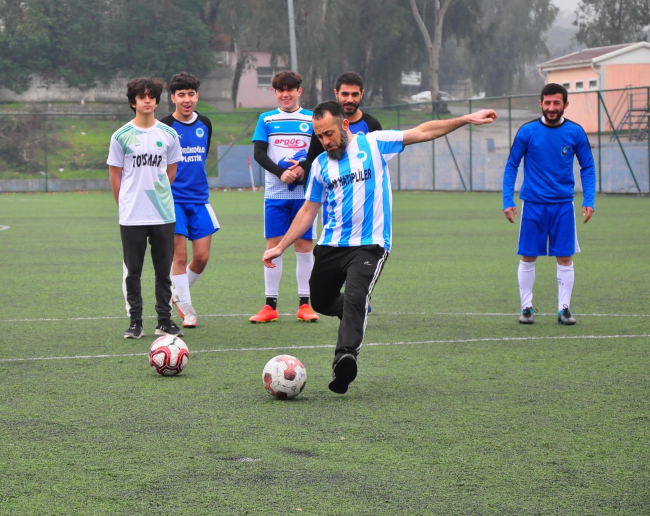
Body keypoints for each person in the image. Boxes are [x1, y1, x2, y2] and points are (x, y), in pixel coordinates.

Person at [263, 100, 497, 394]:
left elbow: (423, 131)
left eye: (329, 134)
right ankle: (355, 311)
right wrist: (280, 246)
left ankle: (344, 359)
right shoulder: (321, 165)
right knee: (321, 301)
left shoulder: (374, 145)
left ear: (344, 125)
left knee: (356, 295)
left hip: (370, 245)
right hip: (331, 244)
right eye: (319, 136)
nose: (325, 142)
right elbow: (308, 211)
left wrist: (465, 118)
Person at [503, 82, 596, 325]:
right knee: (527, 257)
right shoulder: (527, 131)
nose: (552, 108)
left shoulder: (575, 132)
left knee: (565, 258)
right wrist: (507, 200)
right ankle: (526, 308)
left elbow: (587, 167)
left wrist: (589, 199)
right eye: (547, 103)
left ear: (565, 104)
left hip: (564, 206)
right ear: (540, 104)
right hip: (533, 206)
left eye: (556, 103)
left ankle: (564, 309)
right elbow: (512, 165)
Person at [107, 78, 184, 339]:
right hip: (132, 216)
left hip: (163, 213)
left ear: (157, 100)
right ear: (133, 102)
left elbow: (170, 171)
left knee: (164, 272)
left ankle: (164, 320)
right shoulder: (120, 136)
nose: (147, 100)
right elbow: (115, 175)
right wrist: (126, 204)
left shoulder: (169, 134)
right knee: (133, 272)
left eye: (151, 96)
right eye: (142, 97)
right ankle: (135, 322)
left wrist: (158, 193)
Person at [250, 71, 320, 324]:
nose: (285, 94)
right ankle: (270, 306)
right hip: (275, 194)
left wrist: (303, 167)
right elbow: (259, 153)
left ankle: (305, 304)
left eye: (290, 89)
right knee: (274, 247)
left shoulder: (312, 119)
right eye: (280, 90)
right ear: (275, 92)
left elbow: (319, 151)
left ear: (299, 91)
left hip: (306, 195)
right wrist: (281, 173)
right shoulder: (266, 119)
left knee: (304, 247)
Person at [160, 72, 219, 329]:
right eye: (181, 95)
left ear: (197, 96)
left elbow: (201, 158)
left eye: (191, 94)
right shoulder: (164, 127)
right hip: (173, 200)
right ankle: (186, 306)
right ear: (173, 97)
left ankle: (176, 293)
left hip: (200, 200)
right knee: (180, 257)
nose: (187, 99)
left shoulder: (205, 123)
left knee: (203, 257)